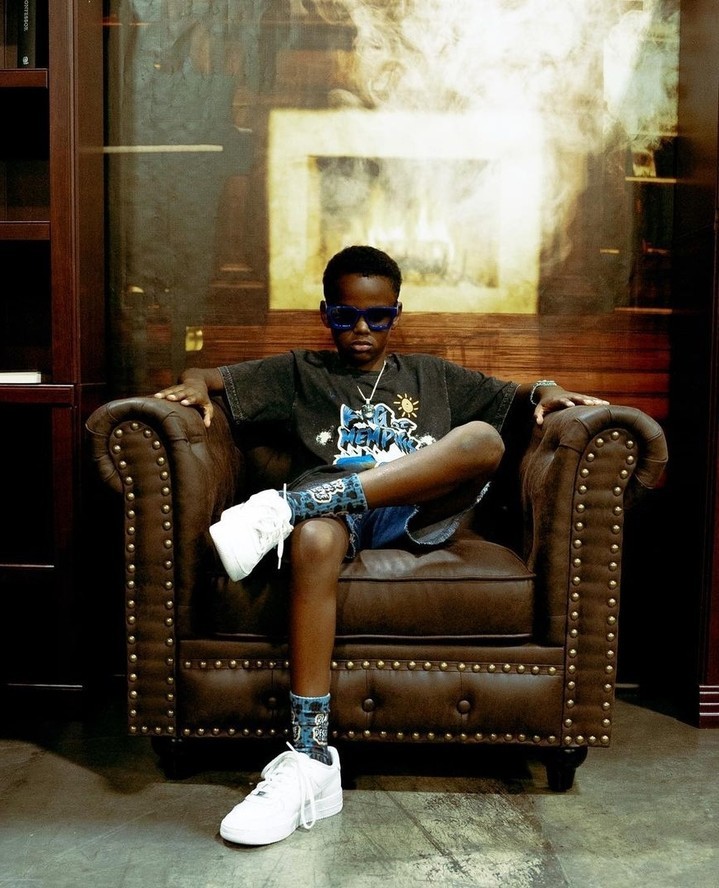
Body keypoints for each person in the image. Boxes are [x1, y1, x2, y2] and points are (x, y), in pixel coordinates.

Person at [154, 245, 609, 846]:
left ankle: (286, 507)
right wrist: (192, 385)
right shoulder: (301, 371)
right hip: (338, 515)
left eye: (378, 316)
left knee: (480, 438)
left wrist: (547, 389)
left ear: (397, 313)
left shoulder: (431, 376)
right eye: (346, 317)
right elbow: (211, 377)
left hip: (415, 512)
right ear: (326, 314)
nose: (361, 330)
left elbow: (518, 398)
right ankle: (310, 756)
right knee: (312, 540)